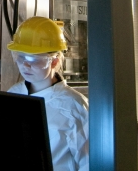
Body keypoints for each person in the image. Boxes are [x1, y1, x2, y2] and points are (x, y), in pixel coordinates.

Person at [7, 16, 89, 171]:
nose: (25, 65)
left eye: (33, 58)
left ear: (54, 61)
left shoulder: (75, 107)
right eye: (20, 57)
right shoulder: (13, 95)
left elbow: (88, 164)